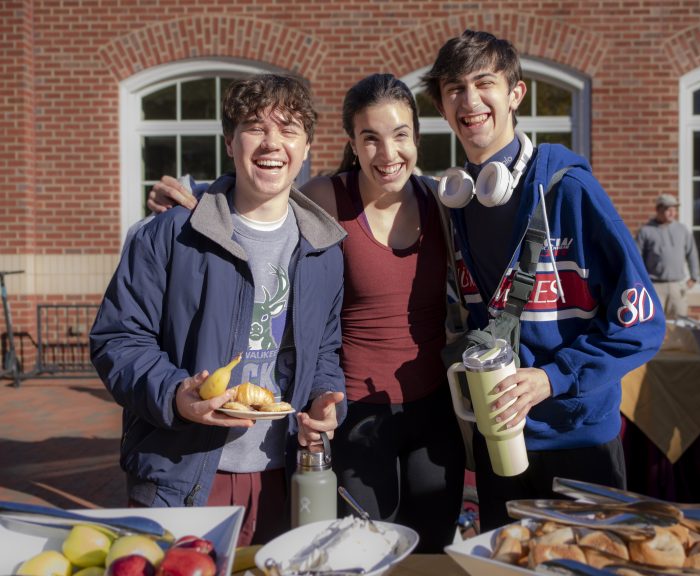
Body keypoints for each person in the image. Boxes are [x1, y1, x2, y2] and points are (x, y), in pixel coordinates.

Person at [144, 74, 465, 552]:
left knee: (435, 548)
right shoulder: (328, 197)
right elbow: (261, 190)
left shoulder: (441, 202)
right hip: (351, 410)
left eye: (400, 135)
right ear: (352, 143)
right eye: (370, 138)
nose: (387, 152)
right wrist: (191, 199)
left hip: (433, 410)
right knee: (365, 548)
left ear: (417, 137)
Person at [421, 29, 666, 531]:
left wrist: (551, 379)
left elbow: (643, 327)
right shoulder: (459, 204)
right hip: (500, 444)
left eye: (483, 83)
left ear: (515, 94)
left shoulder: (571, 191)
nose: (469, 101)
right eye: (454, 89)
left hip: (579, 442)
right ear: (443, 108)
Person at [89, 74, 346, 547]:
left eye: (288, 129)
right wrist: (174, 394)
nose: (272, 143)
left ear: (307, 146)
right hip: (182, 473)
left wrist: (327, 395)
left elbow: (326, 345)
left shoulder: (324, 250)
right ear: (230, 141)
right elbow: (118, 339)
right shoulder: (170, 234)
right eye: (254, 126)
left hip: (281, 475)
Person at [635, 193, 700, 318]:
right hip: (654, 285)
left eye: (674, 209)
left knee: (680, 324)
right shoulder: (646, 231)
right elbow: (637, 259)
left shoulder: (682, 230)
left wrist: (694, 277)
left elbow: (692, 253)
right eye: (668, 209)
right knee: (654, 321)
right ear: (658, 209)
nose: (672, 212)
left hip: (678, 285)